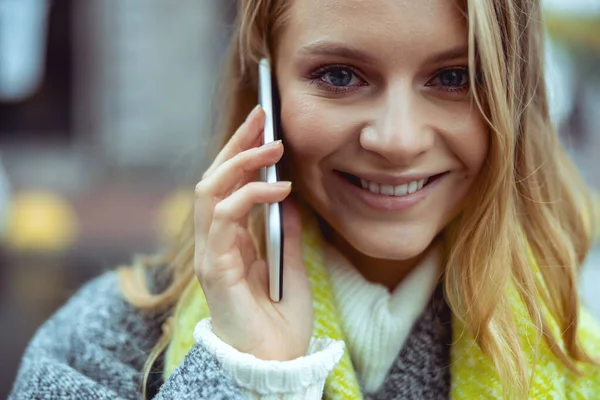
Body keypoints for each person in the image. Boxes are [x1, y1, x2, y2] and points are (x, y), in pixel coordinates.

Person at [9, 0, 600, 398]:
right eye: (340, 76)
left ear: (515, 98)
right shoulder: (100, 341)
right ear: (265, 93)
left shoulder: (582, 348)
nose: (397, 140)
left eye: (454, 78)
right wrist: (250, 374)